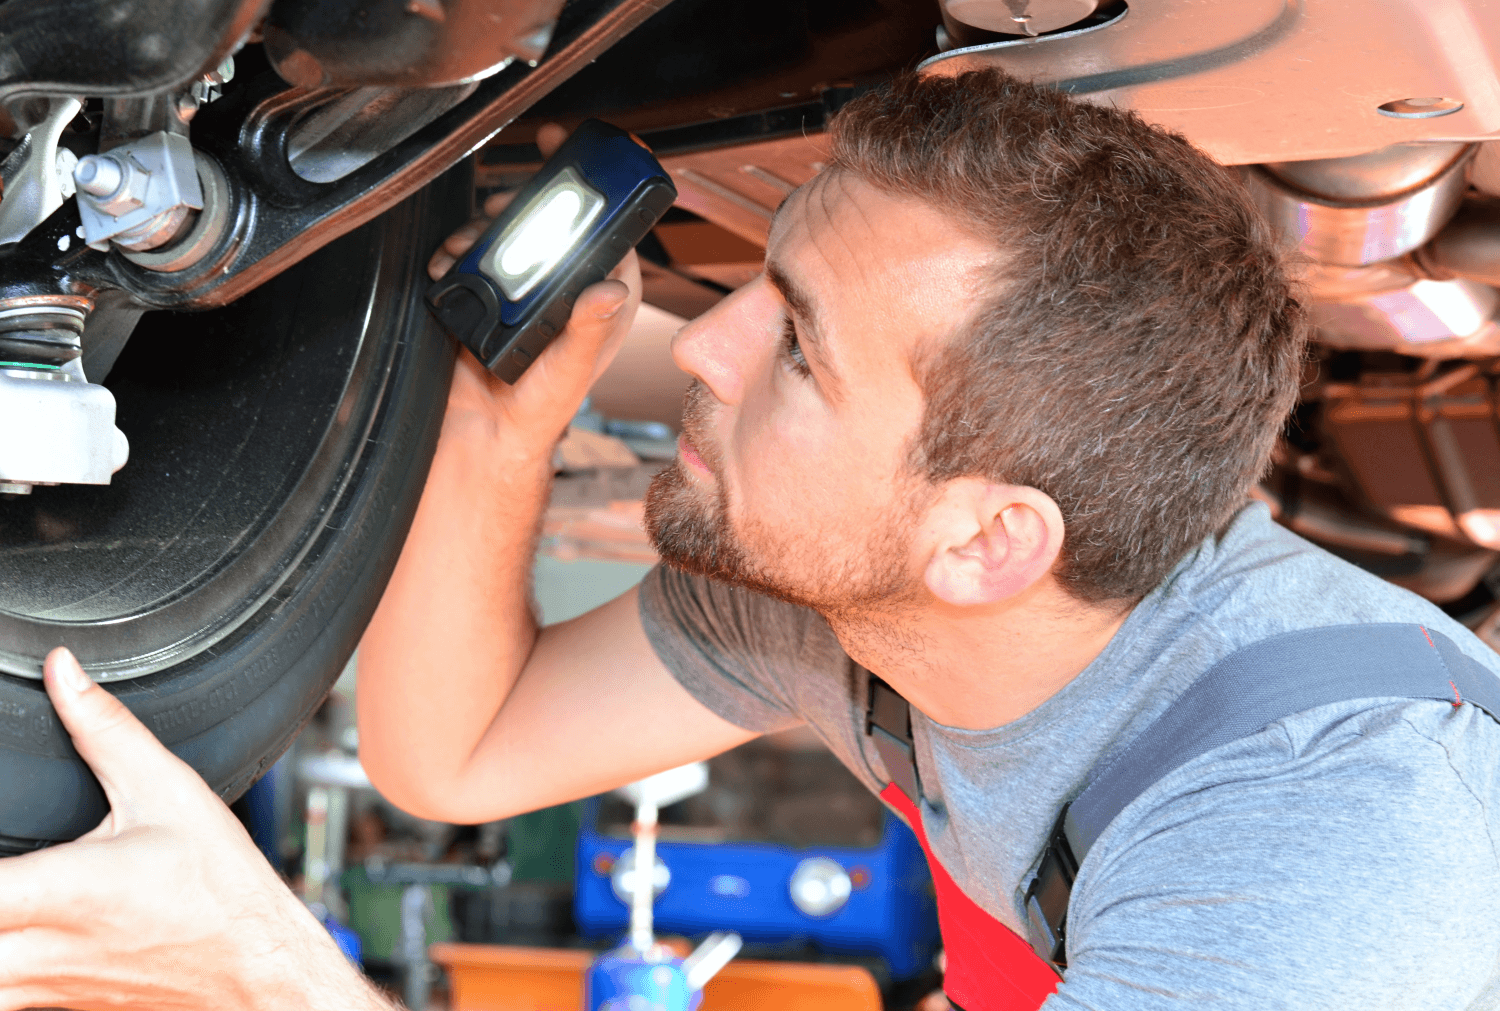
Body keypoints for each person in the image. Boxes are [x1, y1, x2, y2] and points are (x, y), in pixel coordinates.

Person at [2, 68, 1497, 1010]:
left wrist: (263, 973)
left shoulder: (1339, 846)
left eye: (799, 350)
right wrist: (500, 427)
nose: (703, 344)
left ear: (985, 543)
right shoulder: (843, 603)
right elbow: (454, 754)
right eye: (760, 283)